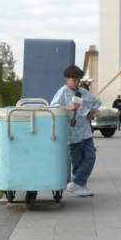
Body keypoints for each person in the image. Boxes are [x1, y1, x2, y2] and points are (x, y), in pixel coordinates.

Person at [51, 65, 100, 197]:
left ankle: (77, 183)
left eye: (79, 80)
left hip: (85, 131)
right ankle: (80, 186)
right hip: (72, 134)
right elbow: (53, 108)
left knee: (90, 157)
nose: (77, 83)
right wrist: (69, 108)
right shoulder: (62, 92)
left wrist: (91, 114)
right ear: (66, 78)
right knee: (77, 160)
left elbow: (96, 102)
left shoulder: (82, 92)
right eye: (74, 80)